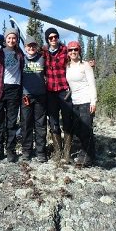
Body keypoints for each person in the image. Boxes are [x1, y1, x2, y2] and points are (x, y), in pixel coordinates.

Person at [0, 28, 24, 163]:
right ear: (5, 39)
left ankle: (10, 150)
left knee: (12, 123)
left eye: (14, 38)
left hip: (15, 91)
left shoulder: (20, 54)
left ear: (16, 39)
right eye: (9, 38)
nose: (11, 40)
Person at [43, 27, 73, 162]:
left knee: (67, 120)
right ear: (47, 39)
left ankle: (67, 153)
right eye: (50, 37)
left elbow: (76, 60)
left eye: (55, 37)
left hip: (64, 91)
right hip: (50, 92)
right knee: (53, 121)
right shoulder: (43, 52)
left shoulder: (65, 50)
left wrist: (88, 63)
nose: (53, 39)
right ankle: (57, 152)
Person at [66, 41, 97, 167]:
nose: (73, 52)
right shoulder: (67, 66)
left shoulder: (85, 66)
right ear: (67, 52)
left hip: (86, 100)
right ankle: (91, 153)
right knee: (78, 129)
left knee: (86, 129)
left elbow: (92, 84)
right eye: (70, 50)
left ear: (79, 51)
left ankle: (87, 158)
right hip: (74, 101)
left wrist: (93, 101)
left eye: (75, 49)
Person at [21, 35, 47, 162]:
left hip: (41, 96)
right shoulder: (20, 59)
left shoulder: (43, 58)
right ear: (25, 47)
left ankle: (41, 151)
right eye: (28, 46)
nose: (31, 48)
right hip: (25, 96)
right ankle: (27, 150)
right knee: (26, 124)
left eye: (33, 45)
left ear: (36, 47)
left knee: (40, 124)